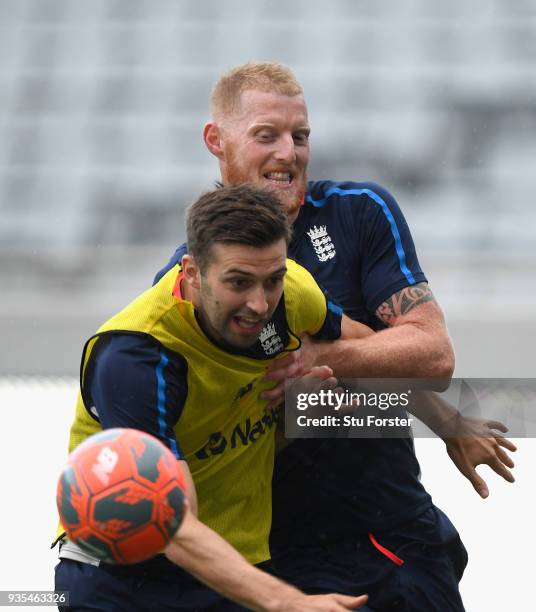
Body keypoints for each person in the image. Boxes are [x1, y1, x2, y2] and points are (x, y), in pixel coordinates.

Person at [156, 61, 516, 611]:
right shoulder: (183, 285)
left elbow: (432, 353)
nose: (288, 153)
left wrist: (442, 418)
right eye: (266, 136)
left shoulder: (357, 211)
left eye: (300, 136)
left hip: (388, 531)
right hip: (272, 560)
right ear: (216, 140)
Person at [53, 185, 370, 611]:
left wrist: (449, 423)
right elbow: (173, 523)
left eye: (272, 280)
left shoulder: (292, 292)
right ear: (192, 274)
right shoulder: (137, 355)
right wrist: (288, 603)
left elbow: (370, 353)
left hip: (234, 569)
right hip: (117, 579)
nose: (259, 304)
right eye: (238, 282)